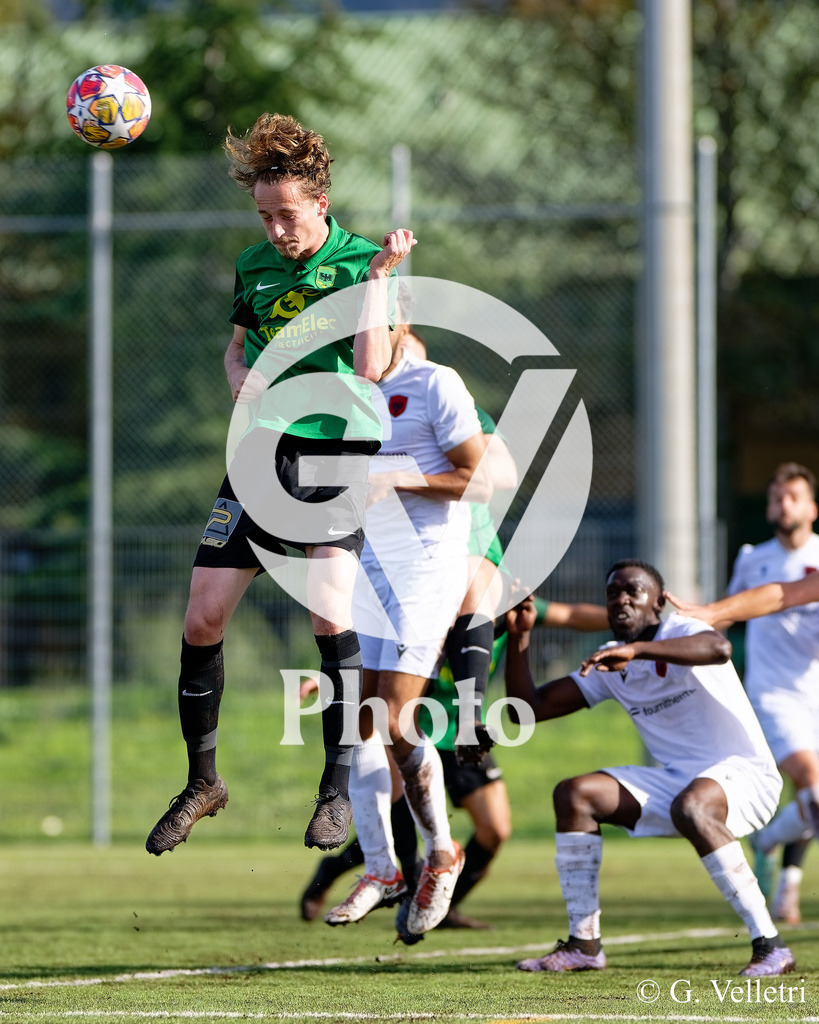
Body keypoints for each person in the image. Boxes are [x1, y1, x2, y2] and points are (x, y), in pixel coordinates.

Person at [145, 112, 415, 858]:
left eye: (287, 215)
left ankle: (335, 790)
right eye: (265, 216)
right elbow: (235, 350)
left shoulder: (365, 263)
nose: (275, 230)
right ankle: (202, 783)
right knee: (202, 617)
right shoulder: (253, 265)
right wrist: (240, 379)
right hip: (261, 453)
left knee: (328, 615)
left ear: (320, 204)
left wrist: (379, 280)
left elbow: (371, 367)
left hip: (334, 456)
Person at [504, 559, 794, 978]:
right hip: (681, 785)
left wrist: (637, 650)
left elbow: (719, 649)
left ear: (658, 603)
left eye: (633, 591)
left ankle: (771, 945)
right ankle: (584, 945)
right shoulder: (610, 663)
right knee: (575, 794)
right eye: (612, 593)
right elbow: (525, 710)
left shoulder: (681, 630)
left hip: (746, 776)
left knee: (692, 805)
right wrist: (520, 636)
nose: (621, 600)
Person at [298, 594, 608, 932]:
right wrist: (335, 675)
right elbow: (373, 645)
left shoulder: (511, 599)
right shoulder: (434, 591)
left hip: (463, 732)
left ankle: (442, 903)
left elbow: (572, 613)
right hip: (411, 728)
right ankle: (359, 875)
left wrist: (632, 625)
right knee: (401, 822)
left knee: (495, 829)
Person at [323, 311, 489, 935]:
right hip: (368, 566)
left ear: (398, 324)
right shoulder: (346, 391)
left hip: (427, 568)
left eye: (368, 326)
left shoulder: (435, 383)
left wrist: (399, 479)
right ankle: (382, 868)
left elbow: (478, 479)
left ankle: (442, 854)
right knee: (357, 720)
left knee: (393, 717)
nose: (357, 341)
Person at [724, 463, 819, 925]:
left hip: (815, 692)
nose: (784, 505)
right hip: (773, 695)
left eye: (793, 497)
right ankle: (770, 850)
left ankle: (783, 875)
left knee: (810, 796)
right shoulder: (752, 559)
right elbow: (728, 614)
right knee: (813, 784)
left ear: (812, 507)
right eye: (777, 498)